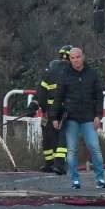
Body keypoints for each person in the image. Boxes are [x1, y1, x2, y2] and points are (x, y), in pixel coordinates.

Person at [53, 47, 105, 190]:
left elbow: (99, 96)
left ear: (83, 57)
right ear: (70, 59)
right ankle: (75, 180)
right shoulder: (64, 75)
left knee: (94, 147)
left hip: (89, 117)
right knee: (72, 150)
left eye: (78, 57)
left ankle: (100, 179)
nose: (76, 60)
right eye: (73, 58)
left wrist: (98, 115)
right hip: (71, 118)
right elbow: (58, 97)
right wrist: (55, 117)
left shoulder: (92, 74)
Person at [32, 46, 72, 174]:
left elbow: (41, 93)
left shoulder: (49, 72)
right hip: (64, 111)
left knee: (48, 137)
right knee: (62, 137)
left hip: (49, 112)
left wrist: (43, 108)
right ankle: (59, 165)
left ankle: (49, 164)